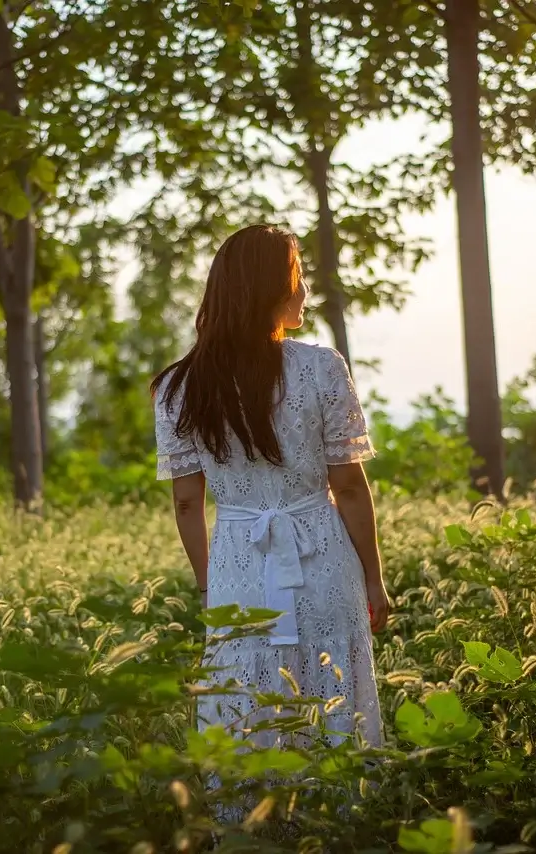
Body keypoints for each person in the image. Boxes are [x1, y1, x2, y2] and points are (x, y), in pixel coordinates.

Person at [151, 223, 391, 754]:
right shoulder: (321, 367)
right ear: (267, 289)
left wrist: (208, 585)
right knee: (332, 694)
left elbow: (187, 502)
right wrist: (375, 579)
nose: (304, 290)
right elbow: (348, 487)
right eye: (297, 277)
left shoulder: (177, 386)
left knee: (244, 691)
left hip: (237, 563)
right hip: (323, 557)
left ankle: (250, 822)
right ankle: (338, 820)